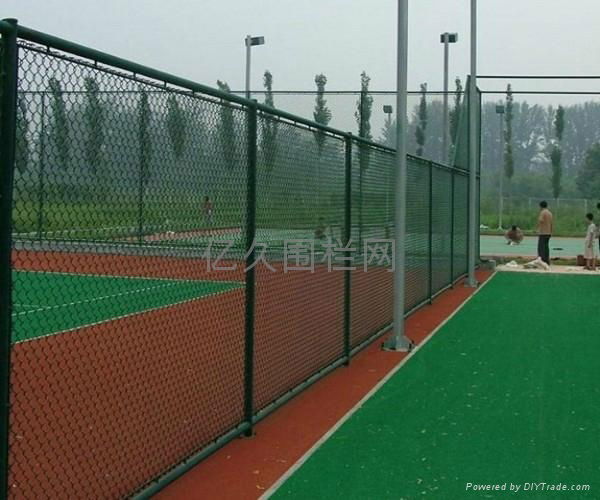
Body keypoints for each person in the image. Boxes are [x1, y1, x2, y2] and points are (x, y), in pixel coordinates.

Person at [536, 201, 553, 265]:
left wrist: (537, 228)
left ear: (540, 206)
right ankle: (547, 261)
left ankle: (541, 261)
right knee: (546, 247)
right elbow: (551, 223)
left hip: (543, 232)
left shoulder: (543, 212)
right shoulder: (550, 213)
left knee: (541, 247)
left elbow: (540, 220)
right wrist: (551, 231)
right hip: (548, 232)